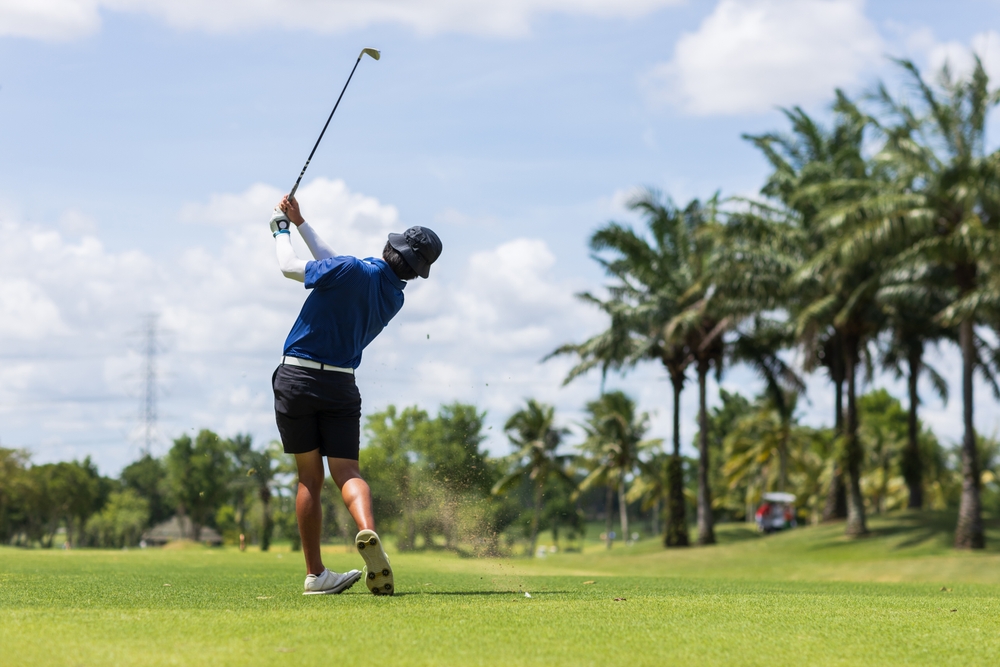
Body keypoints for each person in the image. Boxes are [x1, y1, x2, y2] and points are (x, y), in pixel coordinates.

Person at [268, 195, 442, 596]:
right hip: (341, 386)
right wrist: (301, 222)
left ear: (389, 247)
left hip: (297, 378)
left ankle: (316, 575)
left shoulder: (349, 269)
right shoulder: (392, 297)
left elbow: (290, 267)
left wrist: (280, 231)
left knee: (309, 479)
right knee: (348, 473)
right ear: (416, 271)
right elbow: (338, 265)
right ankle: (367, 530)